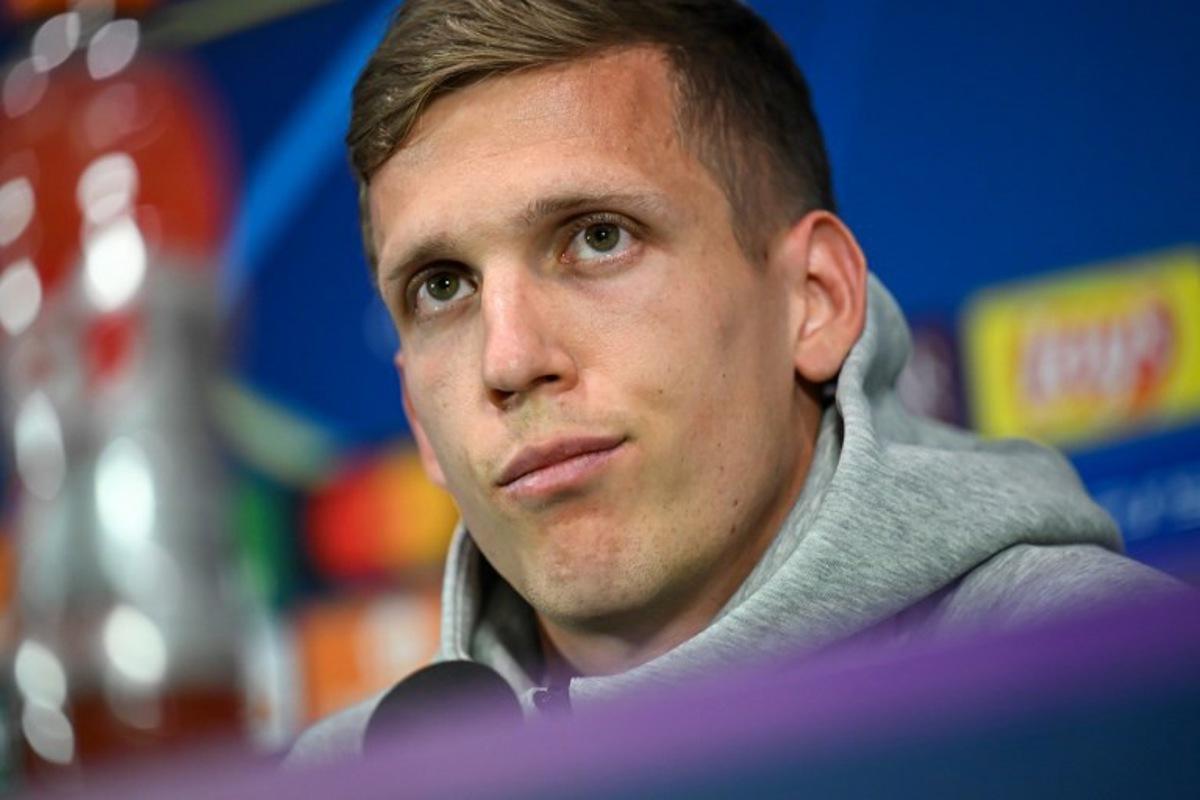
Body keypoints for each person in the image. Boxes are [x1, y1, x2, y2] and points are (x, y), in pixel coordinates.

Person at [288, 0, 1178, 764]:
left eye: (598, 236)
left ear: (815, 300)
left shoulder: (1118, 698)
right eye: (443, 286)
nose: (511, 359)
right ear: (414, 411)